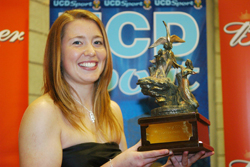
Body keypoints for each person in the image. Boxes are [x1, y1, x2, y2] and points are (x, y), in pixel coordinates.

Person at [18, 9, 213, 167]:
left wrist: (170, 166)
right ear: (57, 54)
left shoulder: (112, 110)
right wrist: (115, 165)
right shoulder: (44, 112)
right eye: (77, 42)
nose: (91, 52)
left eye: (97, 42)